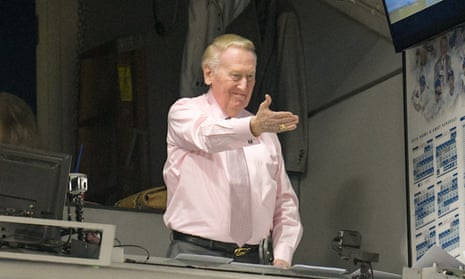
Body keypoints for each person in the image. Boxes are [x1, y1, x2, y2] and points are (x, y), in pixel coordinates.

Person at [163, 33, 303, 268]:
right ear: (209, 73)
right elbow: (209, 136)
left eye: (250, 77)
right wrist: (253, 128)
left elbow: (284, 202)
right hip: (194, 254)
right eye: (236, 76)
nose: (244, 86)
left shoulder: (265, 132)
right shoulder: (184, 112)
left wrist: (282, 256)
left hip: (254, 260)